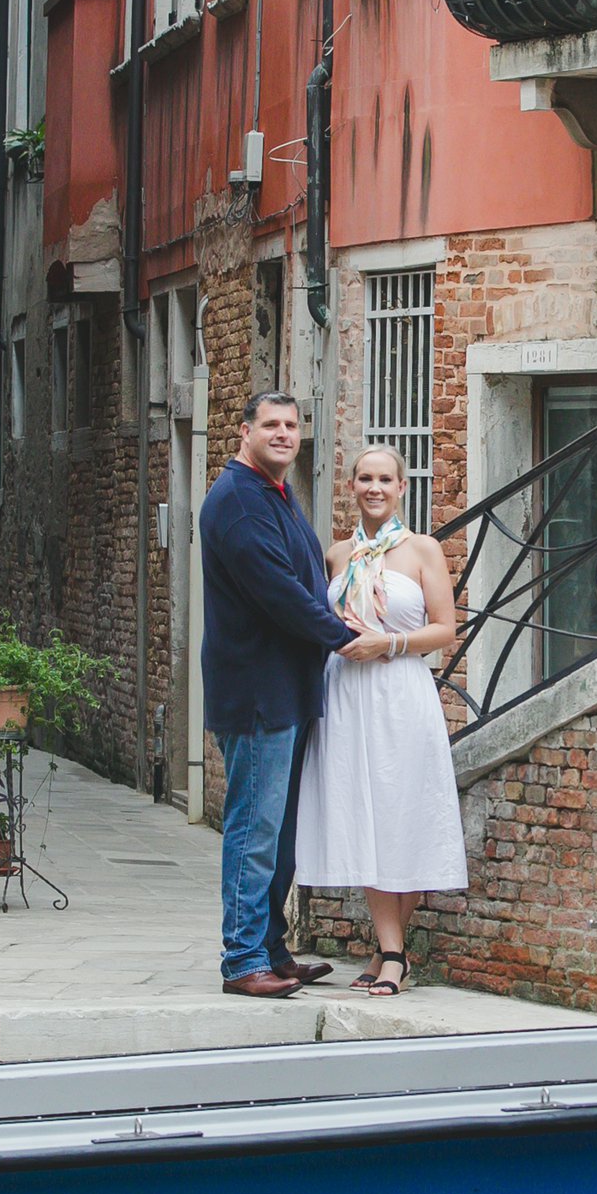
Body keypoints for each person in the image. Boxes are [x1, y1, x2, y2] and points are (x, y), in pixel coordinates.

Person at [199, 390, 389, 997]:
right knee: (255, 830)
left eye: (292, 425)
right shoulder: (237, 503)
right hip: (258, 691)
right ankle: (242, 960)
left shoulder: (273, 495)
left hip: (287, 689)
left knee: (279, 834)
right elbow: (280, 592)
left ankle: (272, 949)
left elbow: (309, 579)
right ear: (244, 431)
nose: (283, 434)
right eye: (271, 425)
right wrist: (342, 635)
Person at [294, 446, 466, 997]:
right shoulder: (335, 555)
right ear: (352, 487)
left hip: (400, 691)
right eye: (365, 478)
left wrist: (389, 641)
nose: (375, 487)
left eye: (385, 479)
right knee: (365, 816)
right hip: (347, 695)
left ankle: (390, 950)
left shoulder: (422, 550)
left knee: (404, 817)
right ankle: (393, 952)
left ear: (402, 487)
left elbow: (445, 630)